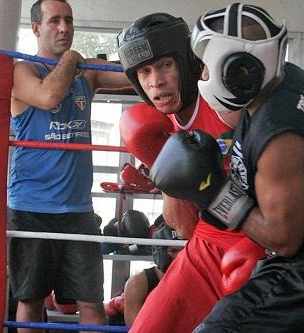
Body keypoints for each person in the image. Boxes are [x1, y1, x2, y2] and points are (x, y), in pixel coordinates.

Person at [151, 3, 304, 332]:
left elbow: (284, 239)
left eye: (206, 67)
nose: (202, 77)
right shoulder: (291, 79)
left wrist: (213, 195)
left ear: (237, 69)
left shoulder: (277, 141)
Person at [117, 12, 267, 332]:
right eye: (144, 72)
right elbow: (184, 226)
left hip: (264, 243)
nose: (155, 81)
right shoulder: (162, 126)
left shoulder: (225, 104)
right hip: (207, 243)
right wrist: (161, 170)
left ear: (186, 63)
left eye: (165, 66)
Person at [8, 0, 129, 331]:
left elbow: (135, 79)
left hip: (78, 210)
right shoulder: (23, 70)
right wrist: (73, 59)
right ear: (36, 28)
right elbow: (48, 97)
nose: (64, 28)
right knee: (30, 299)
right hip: (32, 207)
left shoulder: (86, 72)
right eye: (55, 21)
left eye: (69, 20)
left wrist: (163, 58)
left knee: (91, 300)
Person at [122, 215, 183, 326]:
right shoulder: (138, 284)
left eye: (184, 250)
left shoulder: (201, 280)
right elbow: (136, 329)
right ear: (159, 251)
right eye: (173, 250)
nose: (179, 257)